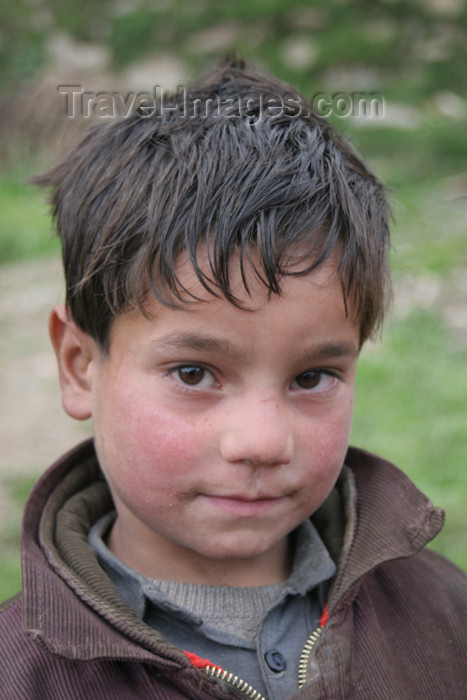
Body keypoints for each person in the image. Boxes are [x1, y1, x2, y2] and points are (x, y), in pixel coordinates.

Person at [0, 57, 466, 700]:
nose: (263, 441)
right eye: (195, 373)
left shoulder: (442, 611)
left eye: (312, 377)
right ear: (80, 366)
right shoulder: (20, 675)